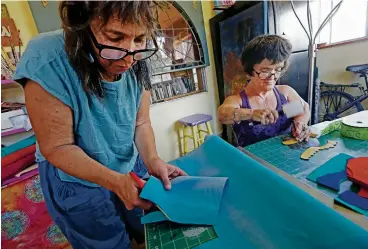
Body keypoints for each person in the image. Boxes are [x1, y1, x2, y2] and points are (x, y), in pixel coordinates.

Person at [13, 1, 186, 248]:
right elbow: (58, 147)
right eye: (115, 37)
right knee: (106, 241)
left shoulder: (138, 56)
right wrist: (115, 181)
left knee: (146, 227)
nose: (129, 57)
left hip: (127, 161)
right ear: (82, 25)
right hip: (74, 175)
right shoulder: (47, 58)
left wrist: (152, 159)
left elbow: (141, 121)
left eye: (139, 39)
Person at [218, 35, 311, 147]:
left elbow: (303, 108)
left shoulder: (284, 93)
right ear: (249, 72)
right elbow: (222, 114)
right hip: (254, 160)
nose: (272, 77)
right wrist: (251, 114)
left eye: (278, 70)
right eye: (264, 71)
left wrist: (300, 123)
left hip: (288, 155)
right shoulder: (239, 101)